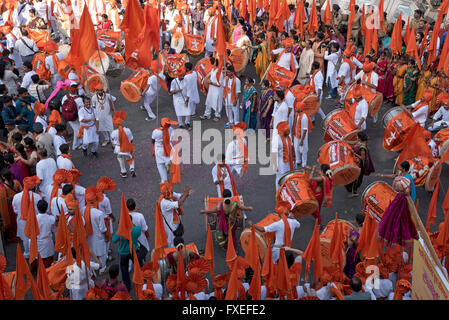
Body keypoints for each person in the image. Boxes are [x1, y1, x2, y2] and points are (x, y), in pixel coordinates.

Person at [12, 176, 42, 259]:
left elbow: (15, 210)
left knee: (25, 239)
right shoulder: (37, 197)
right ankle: (35, 252)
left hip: (22, 221)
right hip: (34, 220)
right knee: (35, 237)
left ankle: (27, 252)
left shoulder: (16, 197)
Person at [158, 182, 194, 247]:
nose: (172, 192)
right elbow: (179, 203)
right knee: (173, 245)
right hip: (172, 228)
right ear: (167, 193)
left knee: (179, 243)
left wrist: (187, 193)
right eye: (170, 191)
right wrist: (186, 194)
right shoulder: (164, 203)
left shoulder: (169, 194)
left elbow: (180, 196)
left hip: (177, 224)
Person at [84, 186, 108, 274]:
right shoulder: (99, 213)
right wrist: (106, 237)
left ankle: (92, 270)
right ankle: (102, 269)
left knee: (91, 254)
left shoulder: (82, 210)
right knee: (102, 254)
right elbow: (103, 229)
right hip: (98, 237)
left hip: (88, 237)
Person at [112, 222, 142, 292]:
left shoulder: (119, 231)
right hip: (134, 251)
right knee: (139, 266)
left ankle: (127, 286)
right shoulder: (136, 229)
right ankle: (142, 280)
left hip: (123, 253)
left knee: (124, 269)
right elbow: (139, 233)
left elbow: (114, 240)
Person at [345, 132, 375, 198]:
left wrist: (354, 153)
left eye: (357, 137)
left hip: (359, 165)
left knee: (356, 178)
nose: (357, 138)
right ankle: (351, 188)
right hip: (355, 162)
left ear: (360, 138)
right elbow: (352, 142)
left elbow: (362, 158)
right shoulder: (359, 141)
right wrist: (343, 141)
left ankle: (354, 192)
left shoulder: (362, 148)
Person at [0, 168, 22, 243]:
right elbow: (22, 191)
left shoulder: (2, 187)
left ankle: (14, 236)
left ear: (3, 177)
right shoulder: (16, 182)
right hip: (18, 203)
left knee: (12, 221)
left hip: (9, 206)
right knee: (18, 219)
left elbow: (3, 199)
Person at [152, 118, 177, 183]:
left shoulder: (156, 131)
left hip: (159, 150)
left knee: (160, 164)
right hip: (168, 148)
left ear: (161, 123)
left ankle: (164, 180)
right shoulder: (171, 129)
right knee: (167, 158)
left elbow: (153, 141)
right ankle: (167, 162)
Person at [111, 111, 135, 178]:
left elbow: (112, 141)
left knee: (120, 159)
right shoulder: (128, 130)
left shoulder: (113, 132)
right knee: (130, 157)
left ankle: (123, 172)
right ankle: (132, 168)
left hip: (118, 149)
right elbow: (131, 139)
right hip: (126, 147)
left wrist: (113, 146)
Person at [309, 164, 333, 229]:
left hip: (317, 195)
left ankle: (320, 223)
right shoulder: (327, 175)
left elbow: (311, 178)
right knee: (317, 208)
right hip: (321, 195)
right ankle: (318, 219)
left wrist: (312, 171)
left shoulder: (321, 178)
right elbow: (318, 171)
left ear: (323, 171)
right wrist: (311, 168)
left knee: (313, 209)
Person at [34, 199, 56, 270]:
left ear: (37, 208)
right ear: (46, 208)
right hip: (48, 241)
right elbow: (54, 230)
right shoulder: (51, 219)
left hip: (38, 241)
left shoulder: (34, 218)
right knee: (48, 263)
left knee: (40, 261)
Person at [127, 198, 150, 264]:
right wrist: (148, 236)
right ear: (135, 205)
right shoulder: (140, 216)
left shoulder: (125, 217)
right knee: (140, 255)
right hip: (140, 239)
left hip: (129, 240)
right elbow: (145, 229)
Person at [271, 121, 294, 190]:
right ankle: (278, 193)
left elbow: (291, 147)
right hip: (280, 164)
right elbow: (273, 153)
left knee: (288, 177)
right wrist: (275, 165)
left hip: (288, 162)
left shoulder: (288, 137)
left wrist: (294, 157)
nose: (289, 131)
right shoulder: (276, 139)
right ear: (283, 131)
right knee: (279, 179)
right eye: (288, 130)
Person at [92, 83, 115, 147]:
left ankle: (113, 143)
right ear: (96, 91)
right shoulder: (94, 98)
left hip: (108, 115)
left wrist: (112, 108)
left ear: (103, 90)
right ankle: (107, 139)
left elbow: (114, 99)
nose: (100, 91)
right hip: (99, 116)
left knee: (111, 129)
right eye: (98, 90)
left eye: (101, 90)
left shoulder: (107, 95)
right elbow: (93, 107)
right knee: (102, 129)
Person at [292, 102, 310, 168]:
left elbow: (305, 130)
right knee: (296, 148)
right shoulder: (297, 115)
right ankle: (298, 160)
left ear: (301, 109)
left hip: (303, 137)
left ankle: (304, 163)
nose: (295, 108)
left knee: (304, 150)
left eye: (297, 107)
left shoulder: (304, 117)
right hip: (297, 135)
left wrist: (302, 140)